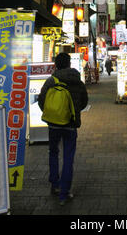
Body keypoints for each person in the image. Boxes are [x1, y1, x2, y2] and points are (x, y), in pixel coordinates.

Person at [38, 52, 88, 205]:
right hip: (71, 125)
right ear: (69, 64)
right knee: (68, 157)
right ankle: (64, 193)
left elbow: (41, 100)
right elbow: (84, 102)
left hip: (53, 124)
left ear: (56, 65)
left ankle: (55, 184)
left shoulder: (51, 80)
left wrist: (53, 113)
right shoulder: (77, 81)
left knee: (53, 152)